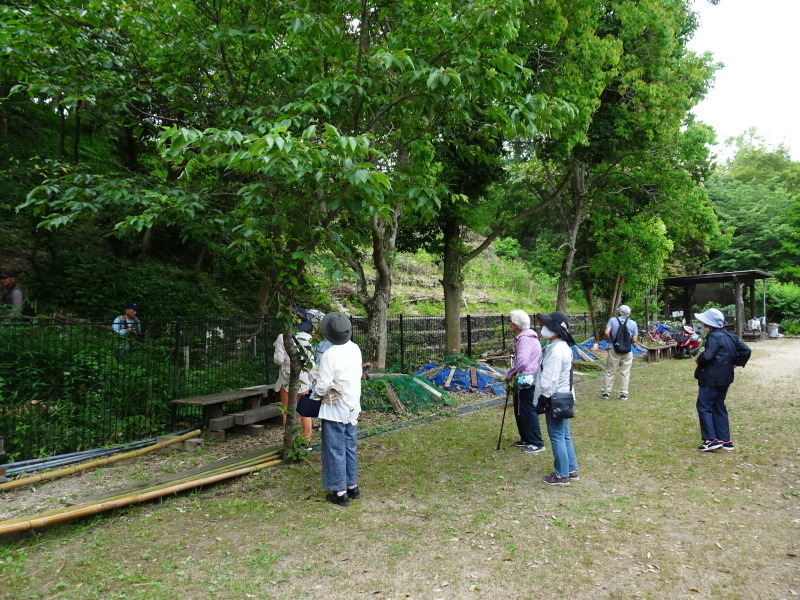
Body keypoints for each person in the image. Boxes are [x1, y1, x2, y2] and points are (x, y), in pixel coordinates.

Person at [312, 312, 362, 507]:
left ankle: (339, 492)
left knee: (334, 448)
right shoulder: (355, 348)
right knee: (350, 445)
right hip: (352, 405)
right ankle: (352, 486)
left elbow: (323, 386)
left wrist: (316, 390)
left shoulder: (329, 355)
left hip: (334, 407)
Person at [693, 307, 751, 452]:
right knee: (719, 405)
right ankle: (725, 440)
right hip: (725, 377)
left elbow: (708, 355)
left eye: (703, 322)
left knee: (704, 406)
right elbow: (746, 350)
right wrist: (735, 362)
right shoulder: (729, 335)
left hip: (711, 377)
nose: (702, 325)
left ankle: (711, 440)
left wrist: (700, 358)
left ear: (708, 324)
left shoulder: (713, 337)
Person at [535, 311, 579, 486]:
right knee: (564, 434)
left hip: (555, 398)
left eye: (545, 325)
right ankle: (571, 469)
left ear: (554, 329)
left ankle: (561, 475)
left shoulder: (556, 350)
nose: (542, 327)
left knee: (557, 436)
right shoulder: (561, 347)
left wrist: (543, 399)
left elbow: (550, 379)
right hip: (565, 396)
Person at [504, 310, 545, 454]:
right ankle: (526, 438)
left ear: (515, 324)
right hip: (524, 378)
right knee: (520, 408)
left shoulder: (525, 338)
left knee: (527, 409)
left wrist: (510, 374)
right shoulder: (524, 337)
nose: (509, 323)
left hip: (527, 378)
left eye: (510, 321)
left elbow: (522, 361)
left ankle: (536, 442)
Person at [273, 307, 315, 444]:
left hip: (286, 379)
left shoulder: (281, 337)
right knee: (305, 411)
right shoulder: (308, 338)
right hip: (302, 379)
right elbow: (310, 363)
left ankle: (290, 438)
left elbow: (278, 360)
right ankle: (306, 439)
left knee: (286, 410)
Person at [601, 305, 638, 400]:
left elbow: (606, 332)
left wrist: (611, 340)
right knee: (625, 372)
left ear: (619, 312)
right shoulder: (633, 323)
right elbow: (634, 340)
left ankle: (606, 393)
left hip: (613, 349)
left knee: (610, 371)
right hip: (627, 350)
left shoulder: (612, 320)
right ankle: (623, 393)